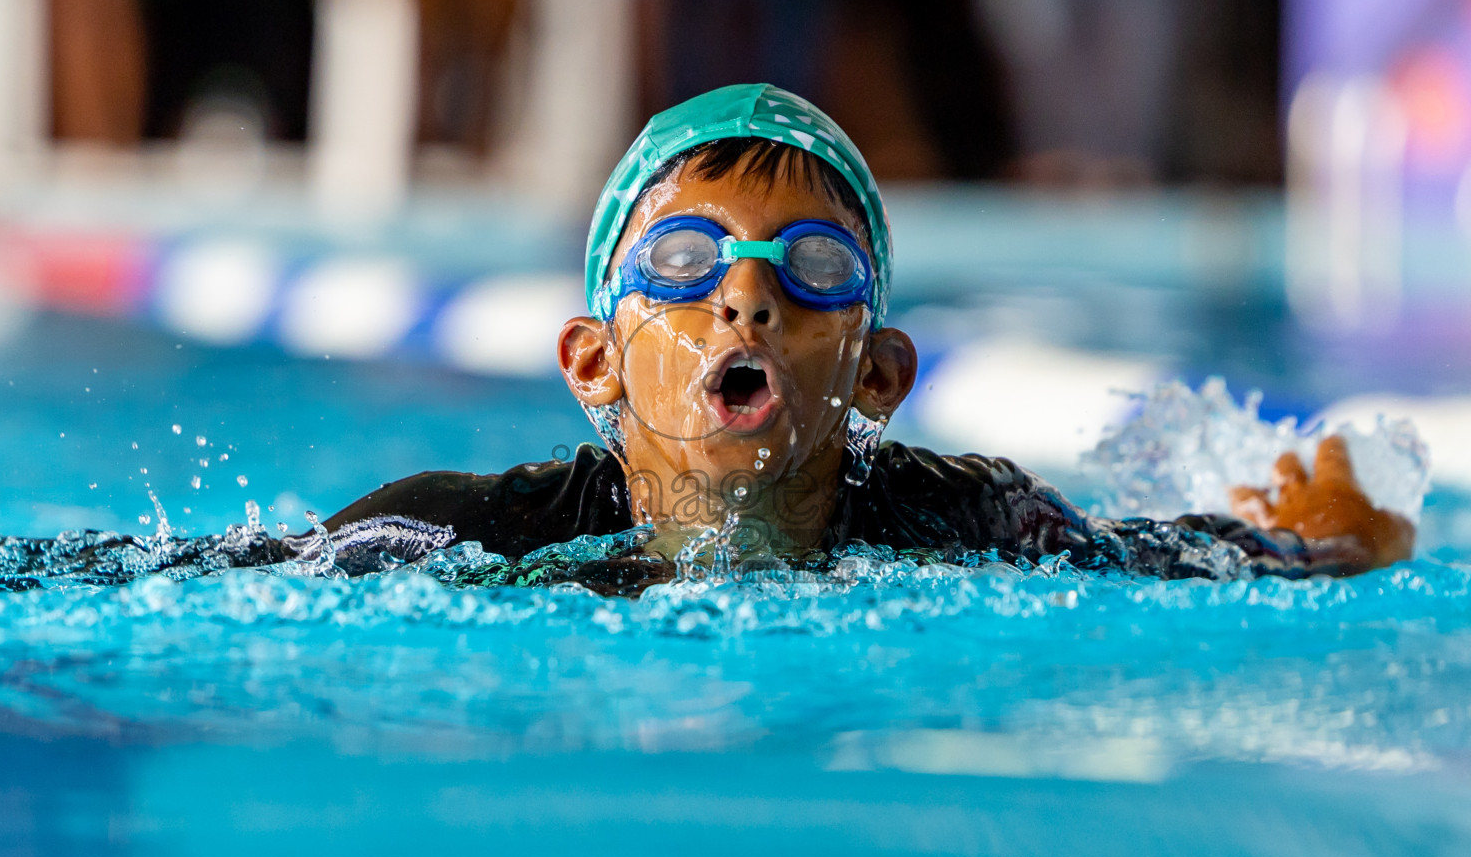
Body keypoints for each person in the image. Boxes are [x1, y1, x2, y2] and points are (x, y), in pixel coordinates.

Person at [312, 84, 1413, 582]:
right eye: (687, 262)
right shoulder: (469, 532)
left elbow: (1180, 564)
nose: (745, 301)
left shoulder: (975, 519)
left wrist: (1333, 541)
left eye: (815, 269)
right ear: (593, 359)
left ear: (879, 375)